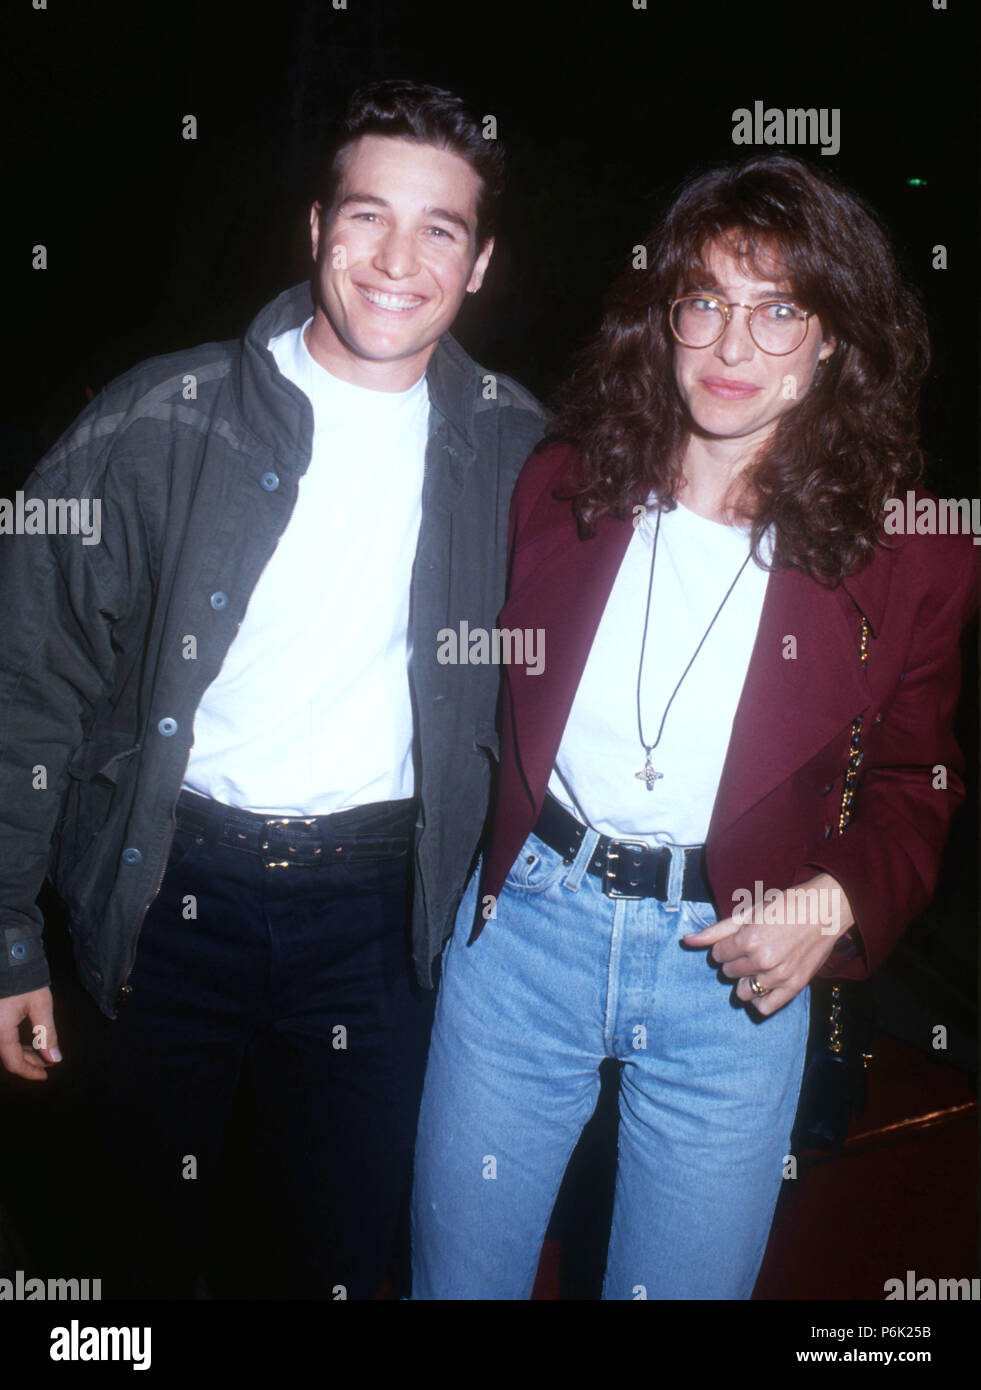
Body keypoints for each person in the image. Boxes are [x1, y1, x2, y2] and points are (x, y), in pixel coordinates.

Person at [0, 79, 545, 1298]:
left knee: (340, 1255)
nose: (397, 259)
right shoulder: (160, 420)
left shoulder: (523, 456)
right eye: (366, 216)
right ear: (315, 229)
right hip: (165, 893)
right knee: (122, 1254)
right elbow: (22, 685)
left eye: (439, 229)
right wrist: (6, 938)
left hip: (380, 918)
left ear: (481, 261)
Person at [411, 153, 978, 1300]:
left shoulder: (914, 552)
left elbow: (920, 778)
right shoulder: (564, 482)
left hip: (730, 969)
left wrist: (841, 897)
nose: (731, 349)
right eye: (706, 301)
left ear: (832, 339)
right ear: (663, 315)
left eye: (779, 312)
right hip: (525, 939)